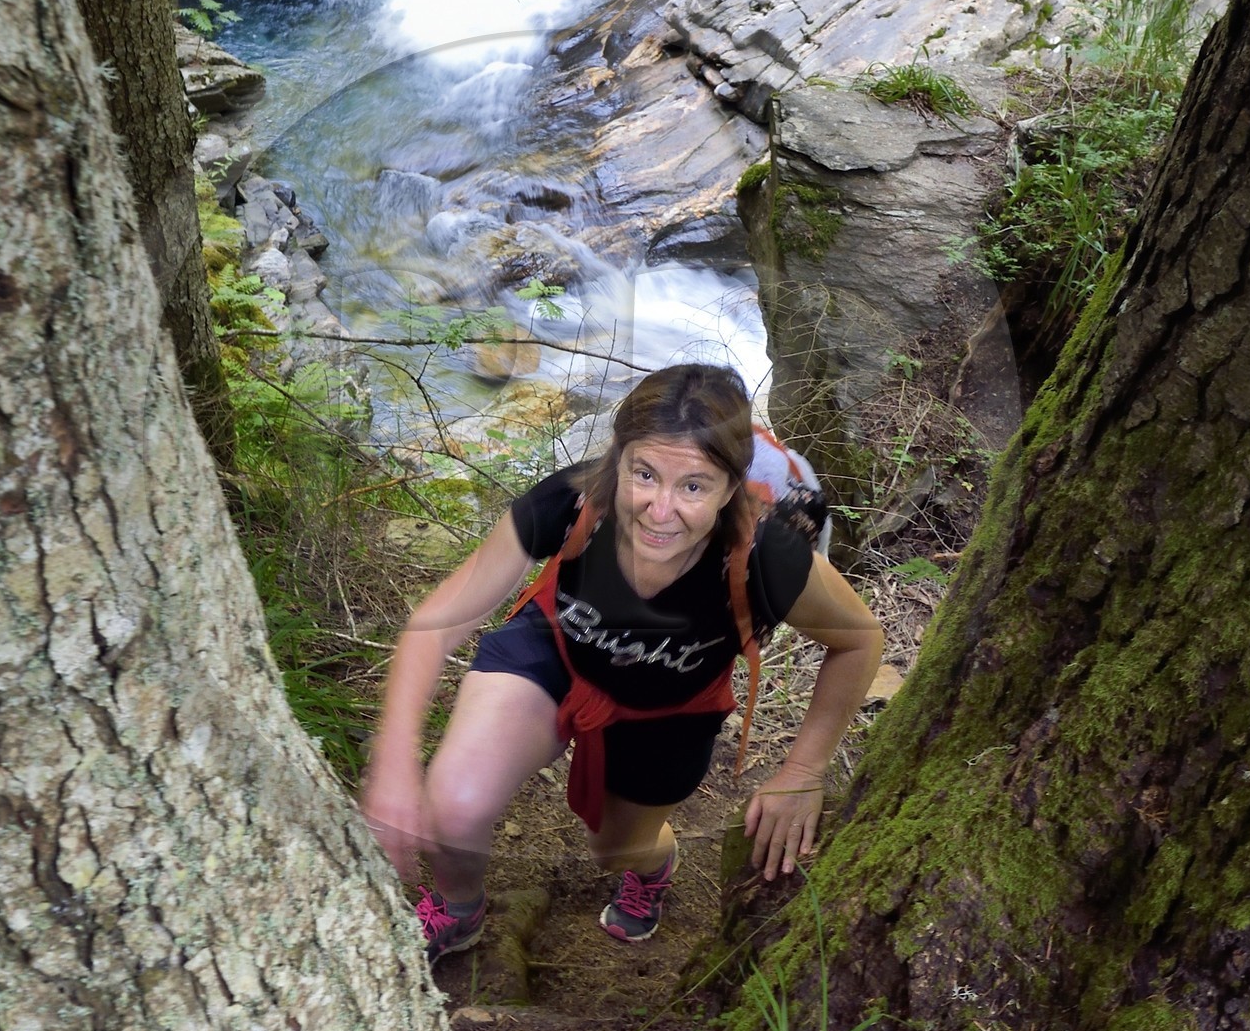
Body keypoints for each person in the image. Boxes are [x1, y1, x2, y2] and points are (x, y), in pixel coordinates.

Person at [362, 363, 885, 966]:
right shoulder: (574, 500)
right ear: (619, 459)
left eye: (693, 486)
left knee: (614, 850)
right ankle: (459, 909)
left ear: (731, 486)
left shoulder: (768, 556)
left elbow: (859, 641)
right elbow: (435, 625)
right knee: (453, 804)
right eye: (645, 474)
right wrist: (395, 760)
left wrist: (802, 770)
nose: (661, 511)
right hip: (557, 653)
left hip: (671, 704)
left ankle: (652, 863)